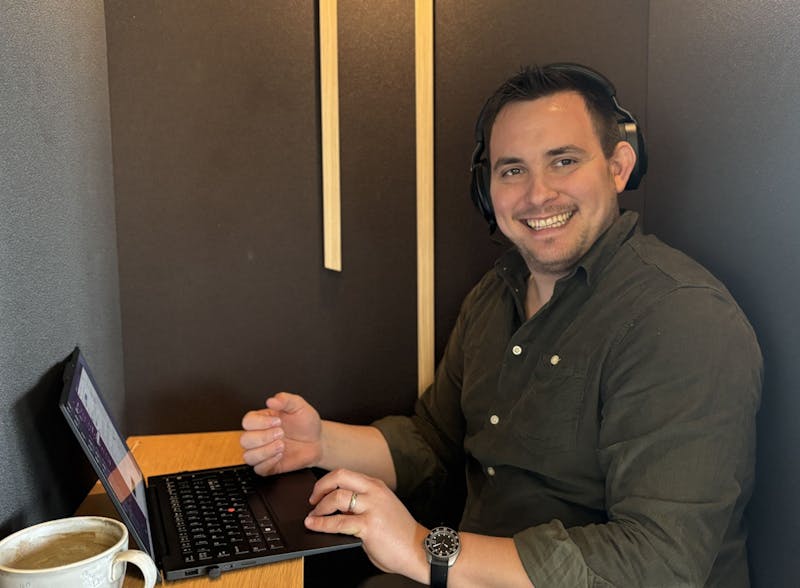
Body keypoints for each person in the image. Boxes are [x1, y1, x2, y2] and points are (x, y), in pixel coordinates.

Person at [240, 63, 762, 587]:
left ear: (619, 166)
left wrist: (426, 550)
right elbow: (434, 442)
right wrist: (319, 444)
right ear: (486, 189)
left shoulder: (682, 318)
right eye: (513, 170)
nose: (538, 194)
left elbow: (658, 564)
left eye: (563, 161)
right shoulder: (495, 295)